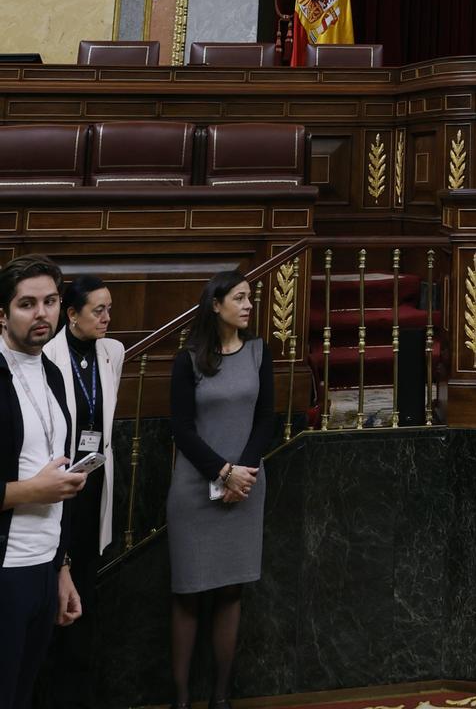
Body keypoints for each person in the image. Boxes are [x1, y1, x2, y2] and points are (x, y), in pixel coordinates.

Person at [167, 272, 273, 709]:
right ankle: (180, 700)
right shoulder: (187, 358)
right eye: (240, 298)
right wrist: (222, 472)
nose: (249, 305)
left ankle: (221, 699)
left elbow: (267, 419)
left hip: (246, 485)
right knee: (189, 591)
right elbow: (181, 429)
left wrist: (241, 473)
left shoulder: (257, 353)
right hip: (196, 485)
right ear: (216, 304)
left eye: (251, 298)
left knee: (232, 591)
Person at [0, 258, 85, 709]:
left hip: (43, 565)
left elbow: (54, 469)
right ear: (2, 314)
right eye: (27, 304)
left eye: (50, 301)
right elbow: (40, 484)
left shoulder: (51, 372)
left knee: (23, 695)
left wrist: (62, 568)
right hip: (5, 569)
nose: (42, 314)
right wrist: (33, 491)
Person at [40, 276, 122, 709]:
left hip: (95, 485)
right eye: (98, 311)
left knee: (86, 587)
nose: (108, 318)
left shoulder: (114, 353)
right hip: (56, 487)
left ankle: (77, 693)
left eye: (109, 309)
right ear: (71, 315)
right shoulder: (50, 357)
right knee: (54, 585)